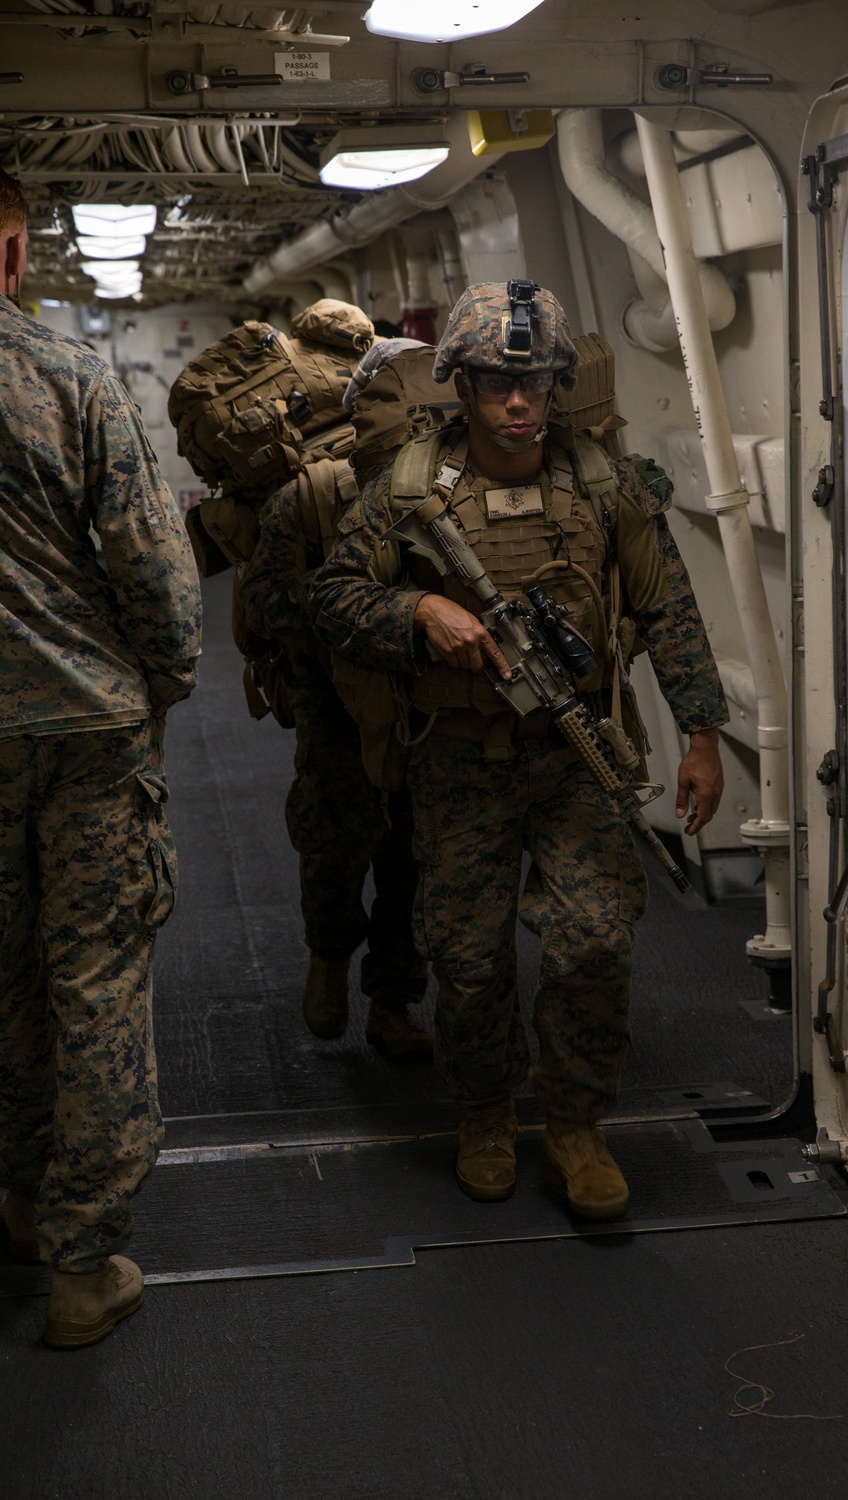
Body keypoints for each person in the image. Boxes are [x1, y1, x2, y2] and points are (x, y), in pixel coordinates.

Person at [307, 280, 727, 1220]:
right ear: (460, 384)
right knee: (468, 956)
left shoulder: (606, 483)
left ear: (556, 383)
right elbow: (331, 599)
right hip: (456, 759)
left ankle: (576, 1125)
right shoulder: (409, 491)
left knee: (593, 940)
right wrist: (418, 609)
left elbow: (669, 609)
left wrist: (702, 733)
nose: (517, 402)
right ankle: (487, 1112)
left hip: (575, 759)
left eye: (534, 381)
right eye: (497, 380)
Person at [0, 169, 202, 1346]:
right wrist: (163, 684)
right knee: (96, 984)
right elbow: (151, 564)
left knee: (7, 972)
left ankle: (23, 1199)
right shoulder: (71, 373)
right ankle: (83, 1263)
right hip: (83, 733)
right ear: (17, 256)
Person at [236, 330, 432, 1061]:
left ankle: (394, 1001)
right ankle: (328, 955)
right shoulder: (312, 498)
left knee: (417, 860)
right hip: (339, 707)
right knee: (334, 848)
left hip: (432, 708)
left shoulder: (458, 493)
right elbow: (264, 607)